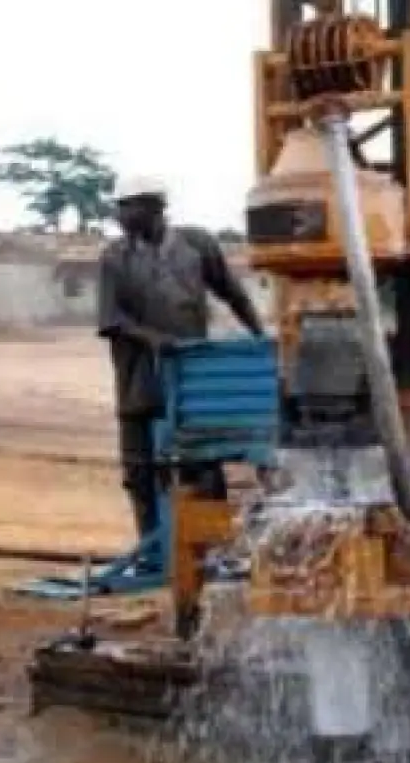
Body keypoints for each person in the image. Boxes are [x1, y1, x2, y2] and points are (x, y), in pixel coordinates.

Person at [96, 176, 265, 538]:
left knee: (201, 464)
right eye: (120, 207)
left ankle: (209, 545)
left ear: (155, 207)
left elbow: (233, 295)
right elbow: (111, 320)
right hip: (138, 380)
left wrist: (260, 340)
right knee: (140, 470)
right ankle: (151, 547)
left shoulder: (197, 245)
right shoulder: (115, 257)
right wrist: (154, 339)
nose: (121, 215)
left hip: (192, 381)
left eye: (129, 206)